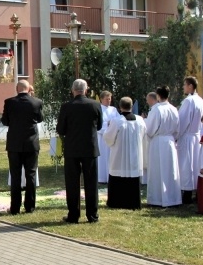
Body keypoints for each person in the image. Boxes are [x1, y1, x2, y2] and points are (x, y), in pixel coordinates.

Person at [56, 79, 103, 223]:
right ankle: (92, 215)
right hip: (90, 148)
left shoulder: (67, 107)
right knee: (91, 182)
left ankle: (73, 214)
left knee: (72, 183)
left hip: (72, 149)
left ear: (73, 90)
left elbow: (60, 129)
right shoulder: (95, 104)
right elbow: (100, 125)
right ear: (86, 90)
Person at [1, 80, 43, 214]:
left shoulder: (9, 102)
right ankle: (30, 206)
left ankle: (15, 207)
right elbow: (40, 118)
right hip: (31, 143)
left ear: (16, 88)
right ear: (29, 88)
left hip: (14, 143)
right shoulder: (36, 102)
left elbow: (4, 121)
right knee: (30, 174)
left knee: (15, 175)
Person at [103, 97, 146, 210]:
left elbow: (108, 137)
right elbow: (143, 135)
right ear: (131, 106)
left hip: (119, 155)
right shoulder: (140, 120)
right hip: (135, 154)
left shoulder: (117, 121)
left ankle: (116, 202)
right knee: (133, 176)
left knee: (118, 174)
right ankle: (133, 202)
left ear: (120, 107)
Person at [145, 86, 182, 207]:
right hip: (170, 141)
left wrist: (150, 136)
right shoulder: (173, 109)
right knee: (169, 170)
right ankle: (172, 197)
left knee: (157, 169)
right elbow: (177, 128)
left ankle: (157, 198)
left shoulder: (156, 109)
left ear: (158, 96)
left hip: (158, 141)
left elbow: (149, 128)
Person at [177, 76, 203, 203]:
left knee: (186, 165)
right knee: (195, 164)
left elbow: (182, 121)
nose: (183, 87)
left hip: (187, 135)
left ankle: (187, 192)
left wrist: (176, 136)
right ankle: (197, 190)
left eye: (185, 85)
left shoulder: (189, 101)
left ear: (190, 86)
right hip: (196, 135)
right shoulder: (201, 101)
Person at [97, 91, 120, 184]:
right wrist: (108, 124)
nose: (108, 101)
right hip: (102, 138)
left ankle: (111, 177)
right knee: (102, 158)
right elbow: (97, 124)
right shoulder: (98, 109)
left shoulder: (113, 109)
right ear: (101, 99)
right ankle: (102, 178)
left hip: (113, 138)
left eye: (110, 99)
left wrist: (113, 126)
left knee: (111, 157)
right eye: (106, 99)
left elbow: (118, 121)